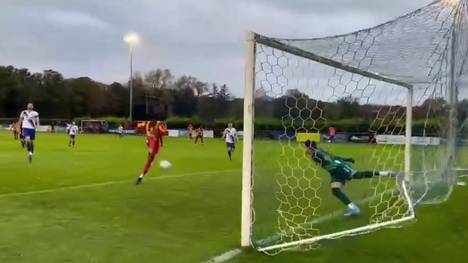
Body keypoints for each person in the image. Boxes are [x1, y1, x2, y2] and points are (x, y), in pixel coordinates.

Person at [304, 140, 396, 216]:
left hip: (340, 169)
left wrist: (341, 161)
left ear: (310, 148)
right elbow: (334, 157)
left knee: (359, 175)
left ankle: (387, 173)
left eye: (306, 147)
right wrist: (347, 159)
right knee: (335, 190)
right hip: (335, 172)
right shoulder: (319, 151)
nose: (305, 150)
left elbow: (330, 159)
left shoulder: (316, 154)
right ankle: (353, 208)